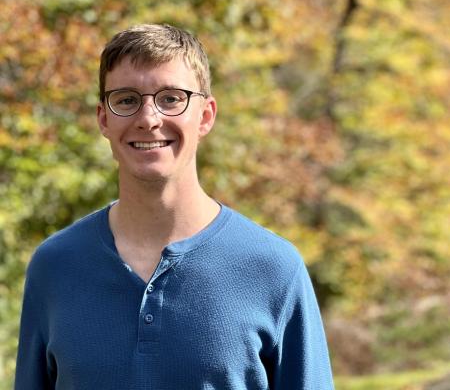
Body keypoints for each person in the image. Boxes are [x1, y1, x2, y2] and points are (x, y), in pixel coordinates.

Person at [15, 23, 335, 389]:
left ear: (205, 116)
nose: (148, 119)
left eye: (170, 98)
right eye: (126, 100)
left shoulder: (274, 269)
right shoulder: (55, 266)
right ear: (103, 118)